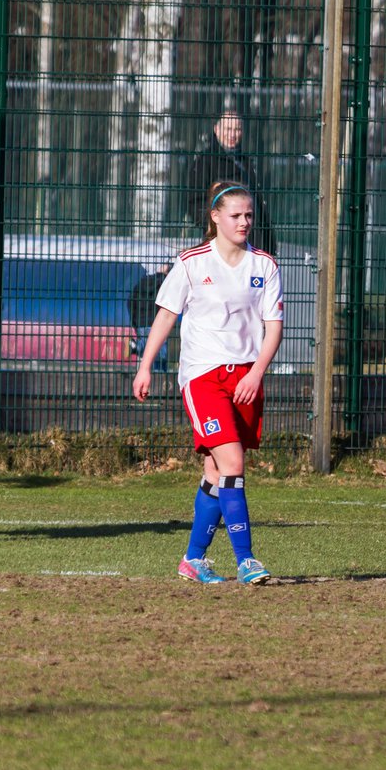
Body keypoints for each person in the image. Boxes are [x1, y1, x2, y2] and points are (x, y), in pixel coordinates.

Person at [133, 180, 284, 586]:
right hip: (202, 377)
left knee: (217, 472)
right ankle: (247, 560)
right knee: (234, 464)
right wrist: (146, 365)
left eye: (249, 215)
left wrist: (256, 372)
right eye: (236, 215)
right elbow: (166, 316)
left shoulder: (264, 265)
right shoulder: (191, 263)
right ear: (215, 217)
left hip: (246, 377)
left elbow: (274, 327)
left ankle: (193, 560)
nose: (244, 222)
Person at [184, 109, 278, 256]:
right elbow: (194, 202)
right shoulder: (204, 162)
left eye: (237, 129)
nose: (233, 134)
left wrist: (269, 243)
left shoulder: (246, 161)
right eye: (228, 129)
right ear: (216, 129)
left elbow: (258, 204)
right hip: (225, 243)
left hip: (255, 243)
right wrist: (215, 228)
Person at [129, 263, 171, 373]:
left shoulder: (140, 283)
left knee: (148, 350)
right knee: (159, 349)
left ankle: (137, 346)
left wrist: (135, 322)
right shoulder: (165, 283)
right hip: (156, 321)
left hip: (140, 322)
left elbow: (130, 302)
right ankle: (159, 375)